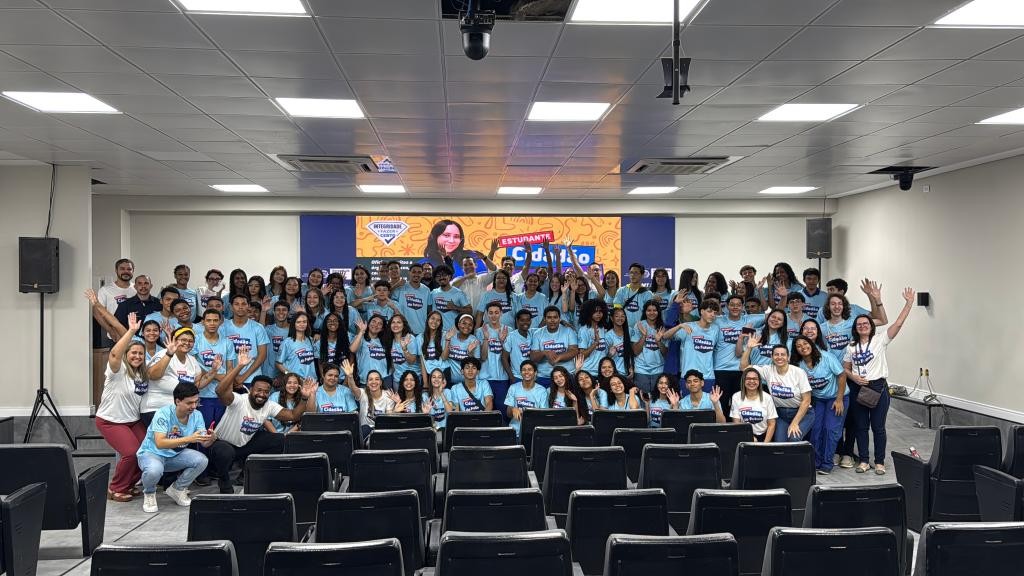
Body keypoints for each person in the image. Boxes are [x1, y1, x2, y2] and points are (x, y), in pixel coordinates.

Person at [208, 348, 316, 493]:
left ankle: (251, 473)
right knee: (224, 452)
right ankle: (224, 480)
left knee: (279, 440)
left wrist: (304, 397)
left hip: (245, 445)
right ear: (251, 389)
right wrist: (239, 366)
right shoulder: (239, 400)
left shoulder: (269, 405)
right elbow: (220, 391)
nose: (262, 394)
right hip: (224, 443)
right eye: (258, 390)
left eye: (266, 392)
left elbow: (293, 416)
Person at [844, 288, 916, 476]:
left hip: (878, 388)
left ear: (871, 326)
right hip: (858, 388)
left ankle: (879, 462)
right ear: (855, 328)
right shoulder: (851, 347)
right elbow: (845, 369)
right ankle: (864, 461)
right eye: (859, 324)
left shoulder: (880, 340)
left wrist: (908, 304)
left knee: (878, 428)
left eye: (865, 323)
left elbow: (898, 323)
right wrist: (853, 377)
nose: (862, 326)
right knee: (861, 427)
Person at [136, 382, 218, 512]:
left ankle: (177, 489)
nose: (194, 406)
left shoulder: (197, 415)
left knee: (202, 460)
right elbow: (160, 443)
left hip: (174, 455)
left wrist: (211, 438)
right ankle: (149, 493)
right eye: (189, 403)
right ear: (177, 401)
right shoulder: (163, 413)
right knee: (154, 470)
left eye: (196, 402)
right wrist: (189, 439)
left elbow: (204, 443)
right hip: (152, 453)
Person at [94, 312, 148, 502]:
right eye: (133, 352)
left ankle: (129, 484)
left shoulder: (141, 373)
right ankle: (116, 488)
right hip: (111, 421)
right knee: (130, 453)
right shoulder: (117, 369)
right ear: (126, 354)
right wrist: (131, 331)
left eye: (140, 353)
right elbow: (115, 353)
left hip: (132, 421)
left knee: (146, 452)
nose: (137, 356)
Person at [791, 335, 846, 475]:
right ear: (796, 350)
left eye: (805, 343)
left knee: (830, 429)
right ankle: (815, 462)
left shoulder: (826, 357)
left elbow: (841, 375)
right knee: (815, 430)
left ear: (811, 344)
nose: (803, 347)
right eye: (799, 346)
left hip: (836, 397)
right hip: (818, 399)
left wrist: (839, 399)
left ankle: (827, 463)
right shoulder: (798, 364)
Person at [741, 336, 813, 442]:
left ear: (788, 357)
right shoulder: (768, 370)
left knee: (793, 437)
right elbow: (743, 368)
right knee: (779, 443)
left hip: (802, 413)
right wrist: (749, 348)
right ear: (772, 357)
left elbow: (806, 400)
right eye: (776, 354)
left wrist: (794, 423)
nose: (779, 357)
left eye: (783, 354)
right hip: (781, 414)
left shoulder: (798, 372)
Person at [144, 327, 214, 426]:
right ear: (175, 340)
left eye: (190, 341)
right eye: (183, 340)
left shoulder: (192, 360)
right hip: (156, 408)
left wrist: (214, 371)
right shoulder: (164, 354)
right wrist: (169, 354)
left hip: (179, 410)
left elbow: (196, 385)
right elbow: (152, 375)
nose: (187, 343)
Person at [190, 309, 237, 440]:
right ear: (203, 322)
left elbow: (230, 371)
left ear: (220, 322)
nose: (212, 323)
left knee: (220, 433)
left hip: (221, 395)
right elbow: (193, 366)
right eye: (209, 320)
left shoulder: (227, 343)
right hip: (202, 394)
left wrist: (229, 393)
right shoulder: (196, 341)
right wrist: (215, 375)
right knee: (203, 433)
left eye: (215, 320)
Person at [664, 300, 722, 390]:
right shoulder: (688, 326)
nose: (712, 315)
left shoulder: (716, 329)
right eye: (709, 311)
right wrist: (679, 326)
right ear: (702, 311)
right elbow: (665, 336)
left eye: (715, 313)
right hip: (688, 376)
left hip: (708, 377)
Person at [224, 294, 270, 387]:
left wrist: (243, 377)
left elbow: (262, 355)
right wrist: (233, 376)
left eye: (243, 304)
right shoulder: (222, 327)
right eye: (237, 304)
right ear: (231, 307)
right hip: (228, 377)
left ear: (248, 306)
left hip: (252, 378)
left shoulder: (258, 327)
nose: (240, 307)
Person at [529, 306, 578, 387]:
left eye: (555, 317)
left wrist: (559, 357)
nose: (552, 320)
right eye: (549, 317)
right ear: (544, 319)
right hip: (544, 376)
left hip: (566, 374)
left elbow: (574, 351)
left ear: (559, 318)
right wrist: (545, 353)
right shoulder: (537, 333)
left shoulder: (568, 331)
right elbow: (533, 357)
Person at [730, 367, 778, 442]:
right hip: (744, 435)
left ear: (759, 381)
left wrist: (765, 444)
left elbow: (771, 424)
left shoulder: (767, 397)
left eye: (755, 379)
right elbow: (736, 423)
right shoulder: (736, 397)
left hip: (764, 436)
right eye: (748, 379)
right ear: (743, 381)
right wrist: (749, 437)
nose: (751, 381)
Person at [478, 303, 511, 408]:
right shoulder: (480, 331)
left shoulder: (509, 330)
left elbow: (509, 357)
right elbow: (483, 357)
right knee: (487, 410)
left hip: (502, 378)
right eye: (490, 313)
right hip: (485, 377)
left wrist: (502, 341)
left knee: (502, 409)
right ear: (486, 314)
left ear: (501, 313)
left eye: (496, 313)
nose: (493, 316)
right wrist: (486, 339)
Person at [504, 360, 548, 437]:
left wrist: (526, 414)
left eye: (530, 369)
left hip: (534, 432)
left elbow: (543, 416)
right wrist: (513, 409)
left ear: (535, 373)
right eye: (524, 370)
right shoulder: (513, 388)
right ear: (521, 373)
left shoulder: (542, 391)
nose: (526, 372)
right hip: (515, 431)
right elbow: (508, 414)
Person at [632, 301, 667, 395]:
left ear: (658, 312)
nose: (652, 313)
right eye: (649, 310)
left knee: (657, 399)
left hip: (659, 369)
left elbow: (665, 353)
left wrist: (658, 341)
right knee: (642, 400)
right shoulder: (639, 325)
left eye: (654, 310)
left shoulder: (663, 327)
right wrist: (644, 336)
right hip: (641, 369)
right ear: (645, 312)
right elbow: (635, 351)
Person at [452, 240, 499, 309]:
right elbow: (451, 287)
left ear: (476, 265)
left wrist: (484, 258)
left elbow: (494, 271)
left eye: (471, 264)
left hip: (480, 315)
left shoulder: (482, 279)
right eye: (465, 265)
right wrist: (466, 277)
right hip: (464, 314)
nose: (468, 266)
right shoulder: (458, 280)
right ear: (462, 267)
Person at [277, 312, 318, 381]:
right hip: (295, 383)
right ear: (294, 324)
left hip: (311, 381)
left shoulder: (311, 340)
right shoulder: (287, 342)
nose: (302, 324)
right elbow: (278, 364)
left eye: (304, 322)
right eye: (298, 322)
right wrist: (289, 374)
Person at [429, 265, 472, 332]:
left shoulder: (459, 293)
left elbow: (470, 311)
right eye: (438, 276)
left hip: (454, 332)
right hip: (437, 332)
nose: (441, 278)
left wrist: (455, 307)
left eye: (444, 275)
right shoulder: (433, 293)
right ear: (436, 279)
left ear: (449, 276)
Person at [393, 263, 431, 335]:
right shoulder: (401, 288)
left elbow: (429, 310)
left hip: (421, 331)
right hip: (403, 330)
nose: (416, 274)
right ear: (409, 273)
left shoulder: (426, 290)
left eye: (419, 272)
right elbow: (388, 299)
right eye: (414, 272)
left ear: (422, 274)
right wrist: (396, 285)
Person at [443, 314, 481, 385]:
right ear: (458, 324)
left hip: (467, 382)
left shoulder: (474, 341)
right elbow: (443, 358)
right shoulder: (450, 336)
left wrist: (470, 354)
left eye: (470, 325)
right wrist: (448, 340)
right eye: (464, 323)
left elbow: (476, 365)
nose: (467, 326)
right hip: (448, 380)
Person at [502, 309, 535, 391]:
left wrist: (562, 322)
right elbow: (504, 358)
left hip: (533, 377)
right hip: (517, 377)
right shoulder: (511, 336)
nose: (525, 323)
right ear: (517, 321)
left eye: (528, 320)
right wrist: (511, 377)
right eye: (522, 320)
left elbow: (545, 327)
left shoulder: (534, 333)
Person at [576, 299, 609, 376]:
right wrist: (596, 343)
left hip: (602, 372)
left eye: (600, 311)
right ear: (588, 312)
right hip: (588, 372)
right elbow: (582, 356)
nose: (598, 314)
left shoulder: (602, 328)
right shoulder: (583, 330)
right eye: (595, 311)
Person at [614, 263, 652, 327]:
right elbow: (616, 311)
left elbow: (650, 315)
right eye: (631, 272)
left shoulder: (647, 294)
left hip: (641, 329)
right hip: (624, 328)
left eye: (636, 273)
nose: (633, 275)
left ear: (642, 275)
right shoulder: (621, 291)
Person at [384, 314, 418, 388]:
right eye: (393, 322)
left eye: (399, 322)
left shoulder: (410, 338)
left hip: (412, 378)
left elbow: (412, 361)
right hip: (397, 379)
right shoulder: (390, 341)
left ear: (404, 325)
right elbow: (393, 363)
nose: (395, 325)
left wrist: (404, 349)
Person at [416, 311, 447, 385]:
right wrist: (425, 383)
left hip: (443, 372)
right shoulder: (419, 338)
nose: (435, 322)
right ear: (428, 320)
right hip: (428, 374)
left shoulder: (444, 335)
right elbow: (422, 362)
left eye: (438, 320)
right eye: (432, 318)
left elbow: (444, 358)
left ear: (440, 323)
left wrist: (448, 340)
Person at [605, 306, 637, 379]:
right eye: (617, 316)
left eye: (623, 316)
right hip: (614, 373)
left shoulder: (630, 331)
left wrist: (632, 368)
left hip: (629, 372)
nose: (620, 318)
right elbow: (606, 358)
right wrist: (610, 354)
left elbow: (634, 352)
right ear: (611, 318)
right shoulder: (608, 335)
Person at [263, 301, 290, 380]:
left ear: (288, 313)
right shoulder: (268, 329)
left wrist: (283, 375)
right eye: (278, 310)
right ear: (274, 313)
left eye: (284, 310)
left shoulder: (293, 331)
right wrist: (263, 311)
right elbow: (260, 329)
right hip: (268, 374)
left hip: (286, 376)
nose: (281, 312)